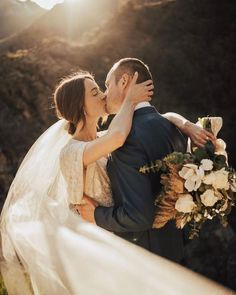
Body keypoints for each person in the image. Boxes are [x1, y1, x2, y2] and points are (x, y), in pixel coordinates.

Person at [0, 66, 214, 295]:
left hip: (121, 236)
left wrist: (184, 124)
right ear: (80, 106)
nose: (103, 94)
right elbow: (119, 136)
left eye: (101, 89)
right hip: (97, 245)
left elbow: (163, 117)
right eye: (94, 93)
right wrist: (130, 99)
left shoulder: (101, 139)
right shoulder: (72, 151)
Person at [77, 58, 215, 263]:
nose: (105, 93)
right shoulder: (172, 128)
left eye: (107, 84)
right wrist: (184, 122)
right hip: (173, 249)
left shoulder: (124, 139)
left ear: (124, 82)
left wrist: (97, 215)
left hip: (143, 258)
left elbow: (138, 216)